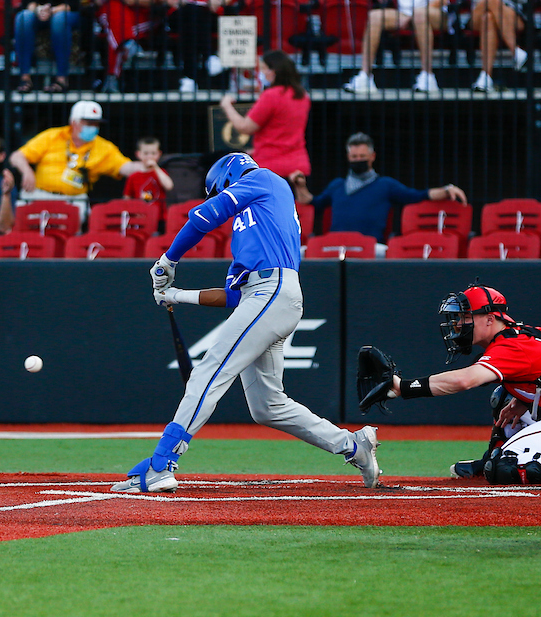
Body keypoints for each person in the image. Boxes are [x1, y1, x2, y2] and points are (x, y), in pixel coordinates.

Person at [111, 153, 381, 493]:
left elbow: (203, 216)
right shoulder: (254, 224)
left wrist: (168, 260)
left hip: (274, 290)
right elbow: (234, 296)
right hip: (267, 297)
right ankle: (353, 446)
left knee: (209, 370)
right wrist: (176, 295)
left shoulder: (264, 178)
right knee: (268, 406)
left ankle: (162, 462)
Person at [361, 285, 541, 490]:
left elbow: (465, 380)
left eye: (465, 317)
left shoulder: (512, 345)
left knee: (506, 466)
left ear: (489, 318)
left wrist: (403, 387)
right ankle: (491, 457)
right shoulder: (523, 333)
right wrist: (523, 400)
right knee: (503, 397)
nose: (458, 325)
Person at [289, 132, 466, 245]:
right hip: (336, 247)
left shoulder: (385, 185)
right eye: (354, 156)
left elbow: (417, 196)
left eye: (362, 156)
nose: (358, 159)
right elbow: (312, 202)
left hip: (373, 249)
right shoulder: (337, 185)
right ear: (348, 157)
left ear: (372, 156)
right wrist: (300, 185)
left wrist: (446, 189)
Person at [9, 101, 147, 216]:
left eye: (96, 124)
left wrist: (146, 165)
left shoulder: (104, 147)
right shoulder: (53, 136)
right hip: (40, 195)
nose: (93, 127)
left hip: (74, 200)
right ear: (74, 123)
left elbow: (125, 167)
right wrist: (27, 170)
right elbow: (16, 157)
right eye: (88, 123)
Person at [217, 50, 311, 178]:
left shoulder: (271, 96)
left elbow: (245, 127)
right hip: (298, 165)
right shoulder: (302, 96)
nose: (261, 74)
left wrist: (227, 106)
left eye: (263, 69)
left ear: (274, 71)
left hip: (270, 167)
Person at [122, 136, 174, 212]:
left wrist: (155, 167)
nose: (150, 156)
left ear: (159, 154)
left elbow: (169, 186)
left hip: (159, 216)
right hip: (141, 216)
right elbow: (127, 198)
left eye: (153, 153)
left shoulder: (161, 172)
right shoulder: (133, 176)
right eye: (146, 153)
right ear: (138, 154)